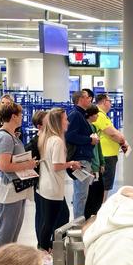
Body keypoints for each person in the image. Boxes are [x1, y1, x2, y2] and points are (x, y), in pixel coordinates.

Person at [0, 101, 37, 250]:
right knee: (6, 230)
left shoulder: (10, 135)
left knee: (13, 230)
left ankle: (8, 261)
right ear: (13, 116)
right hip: (9, 188)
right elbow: (4, 165)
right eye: (20, 114)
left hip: (16, 188)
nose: (22, 117)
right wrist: (27, 165)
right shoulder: (5, 137)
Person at [37, 108, 79, 255]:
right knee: (50, 223)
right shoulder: (57, 141)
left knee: (51, 220)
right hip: (53, 188)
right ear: (58, 122)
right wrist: (71, 163)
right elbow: (57, 165)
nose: (67, 122)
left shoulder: (46, 138)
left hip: (46, 186)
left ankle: (48, 248)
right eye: (65, 119)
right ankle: (45, 250)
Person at [66, 89, 99, 219]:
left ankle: (78, 221)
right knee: (81, 194)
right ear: (80, 99)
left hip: (83, 158)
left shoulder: (80, 114)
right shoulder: (76, 115)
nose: (90, 99)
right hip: (80, 159)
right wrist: (90, 140)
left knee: (81, 193)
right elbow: (70, 135)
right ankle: (77, 224)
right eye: (87, 97)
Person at [93, 93, 128, 199]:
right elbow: (112, 133)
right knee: (105, 185)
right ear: (104, 102)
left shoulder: (102, 115)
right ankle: (101, 208)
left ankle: (101, 205)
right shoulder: (99, 115)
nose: (111, 104)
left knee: (105, 184)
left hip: (108, 154)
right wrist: (122, 139)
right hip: (106, 155)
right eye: (110, 101)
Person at [27, 110, 49, 239]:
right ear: (39, 126)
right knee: (42, 214)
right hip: (40, 182)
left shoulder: (50, 139)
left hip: (50, 182)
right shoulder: (35, 142)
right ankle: (42, 244)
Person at [83, 105, 106, 219]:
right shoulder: (86, 129)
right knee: (91, 196)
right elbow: (89, 150)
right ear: (91, 115)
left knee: (99, 193)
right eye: (96, 114)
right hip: (92, 168)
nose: (97, 116)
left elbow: (99, 148)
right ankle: (88, 218)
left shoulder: (94, 128)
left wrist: (102, 162)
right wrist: (92, 166)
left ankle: (94, 216)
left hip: (97, 167)